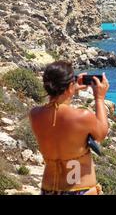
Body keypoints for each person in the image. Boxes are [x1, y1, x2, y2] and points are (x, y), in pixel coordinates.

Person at [29, 61, 110, 195]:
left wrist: (70, 90)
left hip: (49, 189)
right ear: (69, 86)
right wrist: (99, 98)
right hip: (80, 188)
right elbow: (101, 133)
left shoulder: (35, 114)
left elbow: (56, 110)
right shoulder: (82, 116)